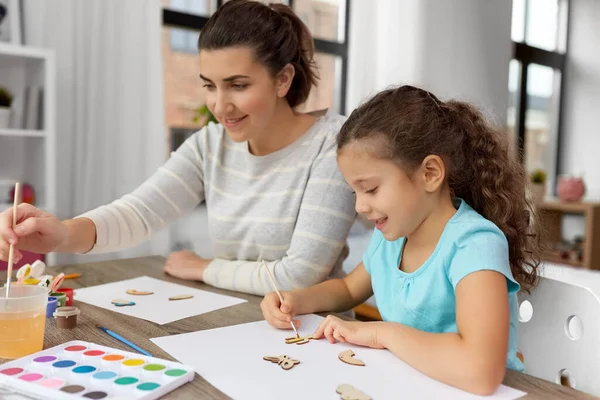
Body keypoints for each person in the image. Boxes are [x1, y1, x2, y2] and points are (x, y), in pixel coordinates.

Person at [0, 0, 356, 295]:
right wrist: (61, 235)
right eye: (210, 85)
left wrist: (204, 268)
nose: (220, 105)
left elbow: (299, 277)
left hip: (318, 335)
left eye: (238, 85)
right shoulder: (210, 144)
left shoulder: (333, 144)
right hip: (240, 319)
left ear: (283, 79)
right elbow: (138, 213)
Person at [260, 85, 543, 395]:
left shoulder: (474, 245)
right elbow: (347, 289)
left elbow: (481, 372)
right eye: (355, 192)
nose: (359, 206)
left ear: (430, 173)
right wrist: (295, 300)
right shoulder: (393, 237)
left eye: (370, 189)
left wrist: (380, 334)